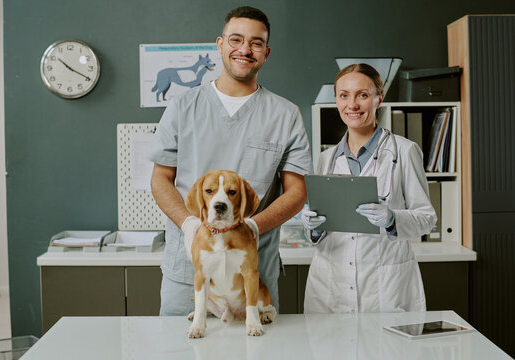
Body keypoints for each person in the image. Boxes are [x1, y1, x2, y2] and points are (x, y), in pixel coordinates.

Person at [149, 6, 312, 316]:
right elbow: (160, 179)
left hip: (251, 275)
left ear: (266, 52)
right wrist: (189, 224)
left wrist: (252, 224)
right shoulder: (183, 107)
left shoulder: (285, 115)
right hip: (190, 273)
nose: (245, 49)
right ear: (220, 44)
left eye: (256, 43)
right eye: (236, 39)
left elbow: (296, 192)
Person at [302, 63, 436, 313]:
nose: (352, 105)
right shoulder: (327, 158)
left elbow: (427, 219)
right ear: (336, 100)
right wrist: (313, 228)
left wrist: (392, 218)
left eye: (362, 95)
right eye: (344, 95)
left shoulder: (404, 151)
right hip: (331, 283)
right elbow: (320, 232)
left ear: (378, 99)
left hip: (385, 285)